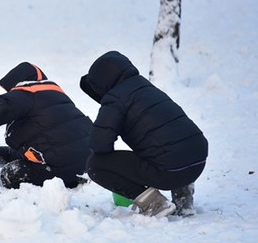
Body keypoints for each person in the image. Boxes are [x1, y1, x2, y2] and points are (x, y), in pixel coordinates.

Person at [79, 51, 208, 217]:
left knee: (96, 165)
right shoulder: (145, 88)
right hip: (198, 160)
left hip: (171, 170)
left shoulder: (115, 98)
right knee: (170, 144)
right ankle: (184, 195)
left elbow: (99, 143)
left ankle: (154, 204)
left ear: (102, 83)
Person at [0, 62, 92, 189]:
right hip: (88, 165)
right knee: (13, 154)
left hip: (62, 169)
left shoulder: (26, 94)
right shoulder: (56, 96)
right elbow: (53, 137)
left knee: (10, 175)